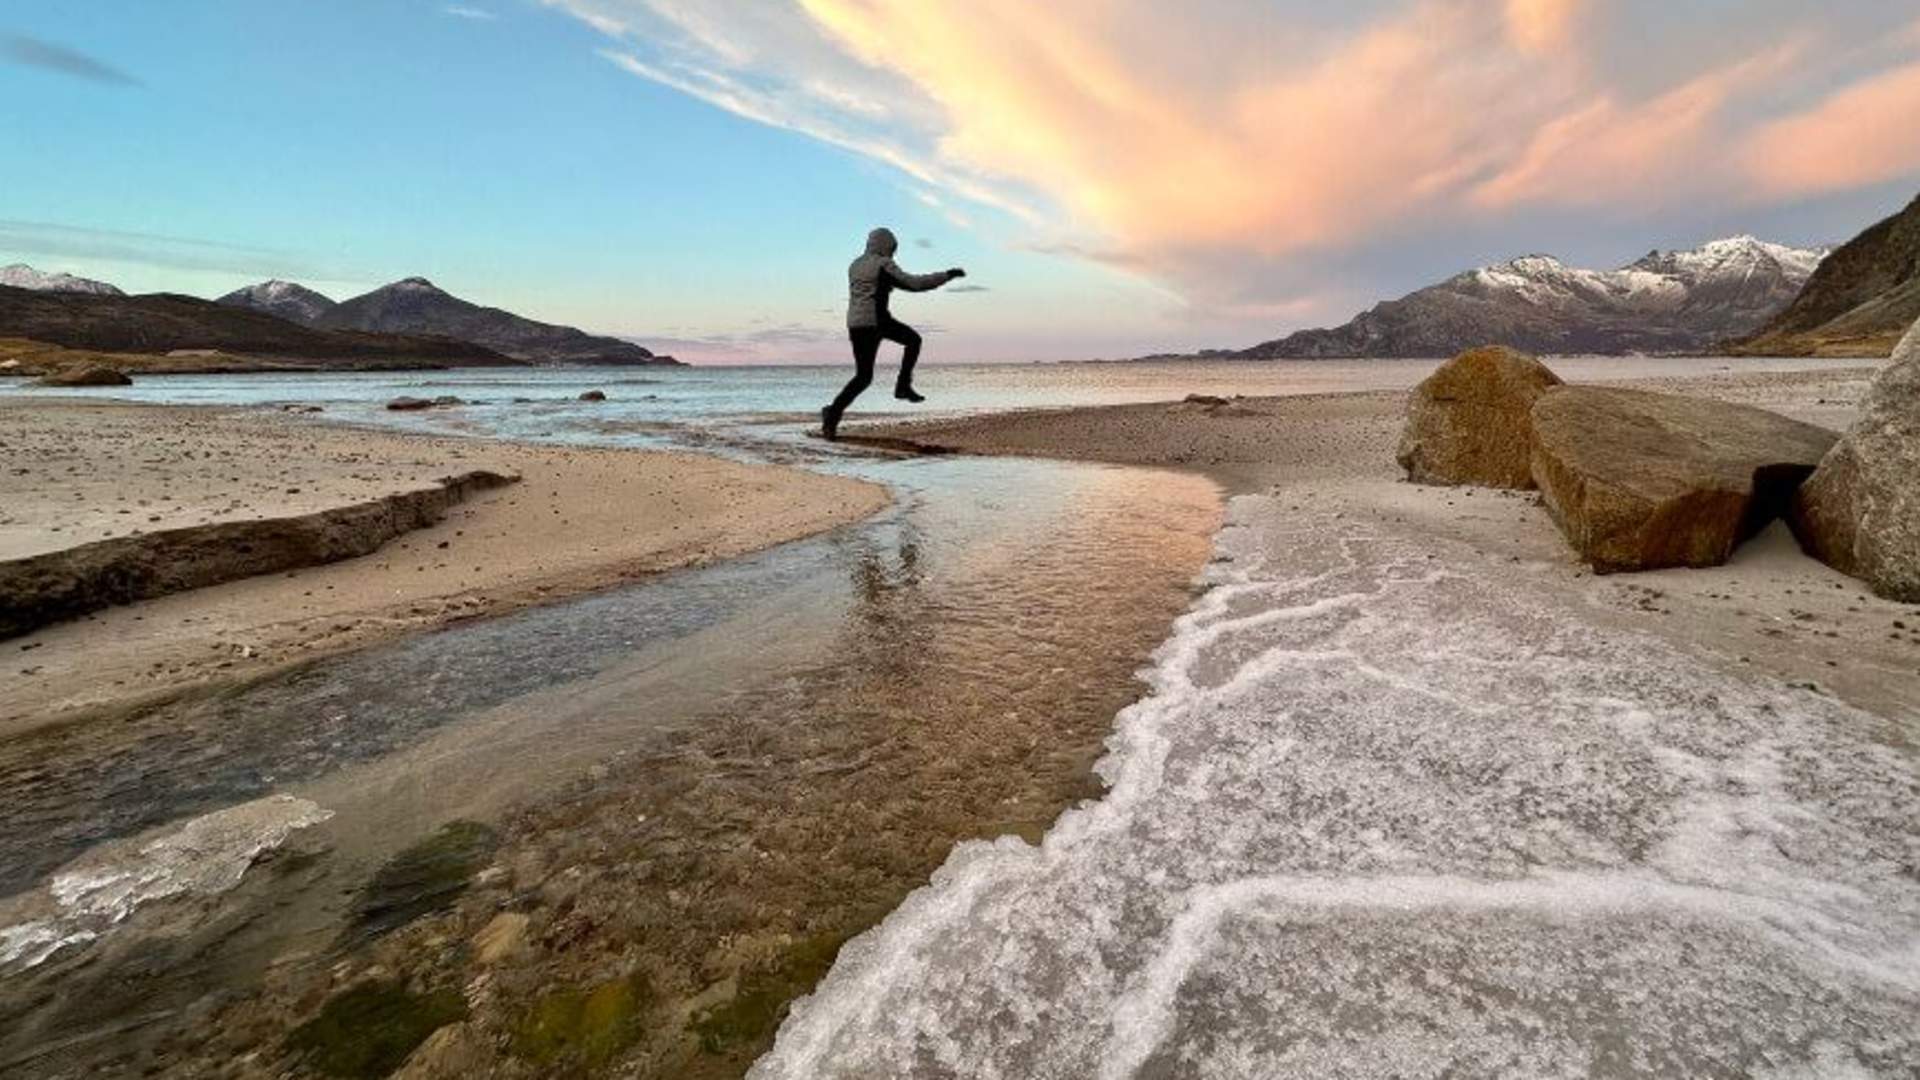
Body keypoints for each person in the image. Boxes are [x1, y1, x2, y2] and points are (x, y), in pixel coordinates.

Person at [822, 227, 965, 440]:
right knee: (914, 340)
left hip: (856, 323)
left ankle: (832, 413)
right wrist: (946, 275)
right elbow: (914, 284)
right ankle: (903, 386)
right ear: (886, 246)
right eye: (892, 249)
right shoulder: (882, 264)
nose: (893, 254)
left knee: (863, 377)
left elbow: (872, 287)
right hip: (877, 321)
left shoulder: (855, 265)